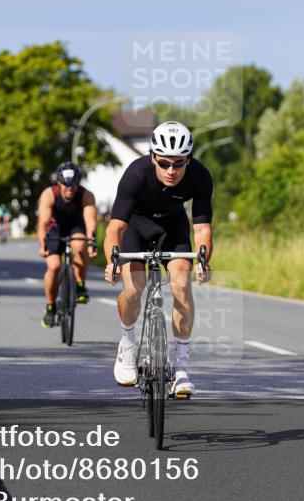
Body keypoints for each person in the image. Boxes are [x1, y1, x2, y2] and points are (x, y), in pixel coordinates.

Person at [103, 121, 213, 397]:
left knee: (181, 286)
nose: (171, 171)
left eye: (179, 163)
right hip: (136, 226)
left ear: (189, 159)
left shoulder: (200, 176)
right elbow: (115, 228)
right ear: (153, 157)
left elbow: (201, 229)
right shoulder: (136, 174)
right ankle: (127, 345)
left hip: (172, 226)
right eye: (164, 163)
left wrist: (203, 262)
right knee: (133, 288)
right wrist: (111, 262)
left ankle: (181, 370)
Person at [36, 162, 98, 328]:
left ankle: (80, 285)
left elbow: (91, 222)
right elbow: (43, 223)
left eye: (73, 185)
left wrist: (92, 242)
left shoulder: (86, 195)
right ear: (59, 182)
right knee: (54, 266)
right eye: (66, 185)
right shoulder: (49, 194)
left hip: (76, 226)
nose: (70, 189)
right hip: (55, 228)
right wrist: (42, 245)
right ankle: (50, 307)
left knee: (79, 245)